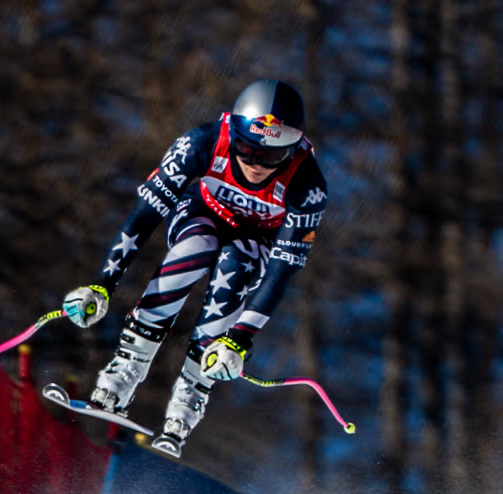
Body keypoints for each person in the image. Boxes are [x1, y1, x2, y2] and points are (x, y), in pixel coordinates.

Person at [62, 78, 329, 456]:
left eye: (270, 157)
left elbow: (282, 271)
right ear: (232, 132)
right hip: (201, 212)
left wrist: (239, 338)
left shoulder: (307, 184)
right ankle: (122, 374)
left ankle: (187, 404)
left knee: (237, 266)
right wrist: (103, 283)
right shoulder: (201, 143)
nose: (254, 164)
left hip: (257, 239)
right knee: (195, 249)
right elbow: (144, 216)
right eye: (246, 149)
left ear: (291, 149)